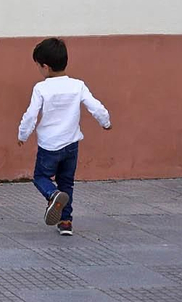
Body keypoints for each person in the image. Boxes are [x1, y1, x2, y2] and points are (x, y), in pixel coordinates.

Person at [16, 37, 112, 237]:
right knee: (66, 182)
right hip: (71, 145)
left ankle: (52, 195)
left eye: (38, 66)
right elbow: (95, 106)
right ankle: (66, 222)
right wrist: (106, 122)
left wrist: (23, 135)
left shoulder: (41, 88)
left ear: (46, 67)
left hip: (49, 146)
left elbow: (31, 115)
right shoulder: (78, 85)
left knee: (40, 177)